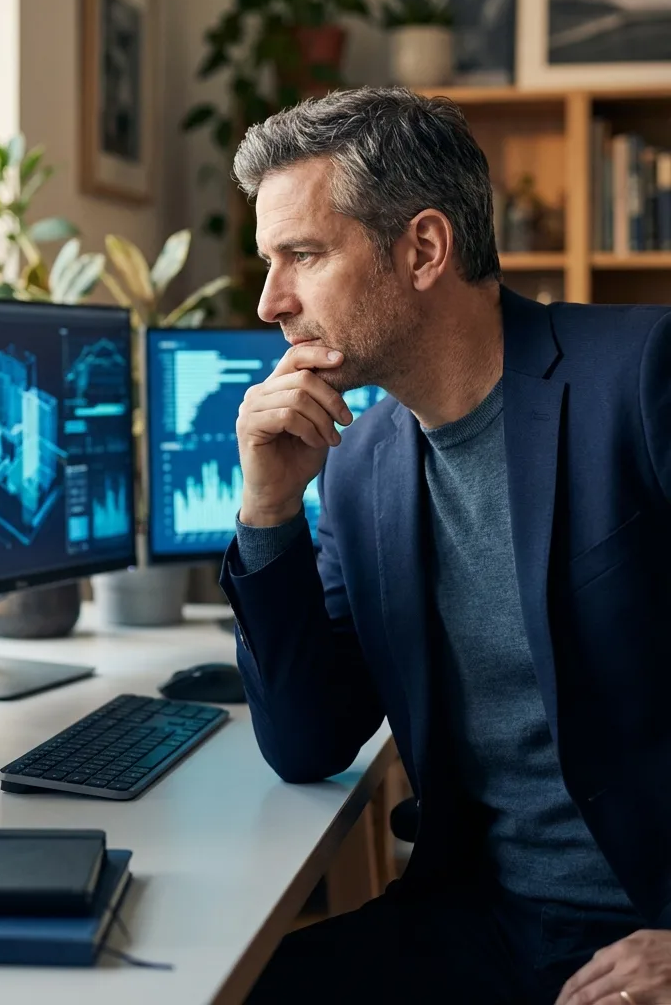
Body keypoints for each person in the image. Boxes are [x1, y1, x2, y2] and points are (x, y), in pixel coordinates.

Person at [220, 86, 671, 1005]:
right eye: (270, 263)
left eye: (302, 255)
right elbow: (308, 741)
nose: (271, 301)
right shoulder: (357, 469)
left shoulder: (644, 376)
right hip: (480, 922)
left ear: (423, 248)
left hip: (647, 927)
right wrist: (268, 506)